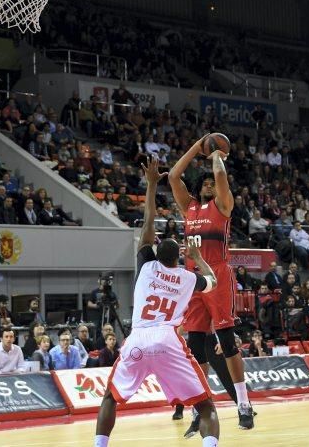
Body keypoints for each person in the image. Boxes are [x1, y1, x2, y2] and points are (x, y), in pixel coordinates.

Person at [96, 155, 220, 447]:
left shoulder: (146, 268)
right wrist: (199, 259)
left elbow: (149, 220)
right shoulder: (187, 278)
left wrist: (151, 184)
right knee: (205, 406)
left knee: (110, 398)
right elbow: (213, 282)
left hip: (138, 337)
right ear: (177, 258)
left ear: (154, 254)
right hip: (167, 339)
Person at [168, 135, 253, 431]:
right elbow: (174, 175)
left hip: (217, 275)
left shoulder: (223, 206)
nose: (208, 184)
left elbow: (219, 175)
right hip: (193, 280)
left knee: (227, 341)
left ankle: (244, 404)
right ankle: (200, 408)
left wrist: (217, 155)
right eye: (203, 183)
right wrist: (197, 146)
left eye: (210, 183)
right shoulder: (188, 208)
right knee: (195, 346)